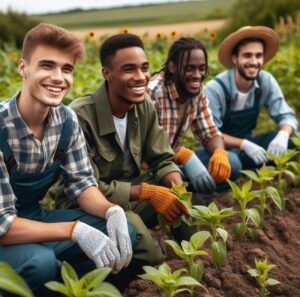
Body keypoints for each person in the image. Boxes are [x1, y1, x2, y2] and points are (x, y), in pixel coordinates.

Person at [0, 23, 135, 296]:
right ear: (23, 67)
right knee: (40, 264)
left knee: (122, 232)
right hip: (5, 231)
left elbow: (82, 185)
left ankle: (72, 290)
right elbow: (2, 225)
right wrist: (73, 230)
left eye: (67, 69)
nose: (58, 77)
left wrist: (112, 211)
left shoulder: (66, 120)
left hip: (32, 217)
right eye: (47, 66)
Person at [53, 33, 188, 270]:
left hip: (129, 194)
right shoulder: (80, 117)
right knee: (150, 254)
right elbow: (84, 188)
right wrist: (146, 192)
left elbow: (162, 157)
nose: (140, 77)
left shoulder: (143, 104)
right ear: (108, 74)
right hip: (87, 205)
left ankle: (192, 259)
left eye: (144, 68)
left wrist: (176, 187)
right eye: (128, 69)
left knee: (181, 200)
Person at [147, 37, 236, 196]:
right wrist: (183, 155)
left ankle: (192, 191)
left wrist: (219, 152)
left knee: (232, 164)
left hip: (173, 162)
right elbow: (145, 149)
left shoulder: (196, 90)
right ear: (173, 67)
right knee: (177, 195)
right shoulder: (154, 92)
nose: (197, 75)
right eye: (189, 68)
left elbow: (209, 132)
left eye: (201, 68)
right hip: (149, 169)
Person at [205, 26, 298, 170]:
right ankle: (245, 167)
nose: (254, 61)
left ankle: (251, 164)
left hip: (250, 144)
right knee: (233, 163)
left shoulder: (265, 80)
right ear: (235, 59)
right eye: (247, 55)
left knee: (294, 140)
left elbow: (286, 115)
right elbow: (210, 134)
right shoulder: (215, 89)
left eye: (258, 55)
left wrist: (283, 135)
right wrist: (243, 144)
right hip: (220, 149)